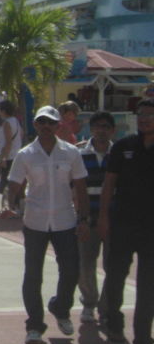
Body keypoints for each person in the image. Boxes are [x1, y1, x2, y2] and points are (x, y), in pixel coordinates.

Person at [7, 105, 89, 344]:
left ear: (58, 125)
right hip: (35, 221)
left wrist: (84, 219)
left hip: (65, 220)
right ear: (35, 125)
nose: (46, 127)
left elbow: (80, 188)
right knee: (33, 274)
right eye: (41, 122)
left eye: (51, 122)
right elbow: (15, 183)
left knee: (71, 270)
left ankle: (61, 308)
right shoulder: (25, 154)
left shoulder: (71, 153)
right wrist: (10, 204)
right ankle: (34, 324)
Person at [98, 98, 154, 344]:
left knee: (148, 285)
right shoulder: (123, 147)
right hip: (122, 224)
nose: (144, 119)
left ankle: (143, 339)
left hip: (150, 229)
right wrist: (104, 218)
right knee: (116, 276)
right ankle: (114, 324)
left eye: (149, 115)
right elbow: (109, 184)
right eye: (141, 114)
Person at [77, 111, 114, 325]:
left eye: (106, 127)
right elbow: (73, 187)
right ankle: (89, 303)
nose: (101, 130)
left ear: (112, 130)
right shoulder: (79, 154)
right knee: (85, 263)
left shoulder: (119, 153)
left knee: (114, 266)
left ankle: (107, 307)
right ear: (91, 129)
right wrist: (80, 217)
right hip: (87, 218)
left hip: (113, 220)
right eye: (98, 126)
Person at [0, 99, 23, 218]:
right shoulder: (16, 121)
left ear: (3, 110)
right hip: (16, 155)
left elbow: (8, 142)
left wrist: (2, 158)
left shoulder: (7, 123)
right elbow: (21, 134)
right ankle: (15, 206)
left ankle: (9, 207)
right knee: (14, 182)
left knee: (5, 183)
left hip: (9, 156)